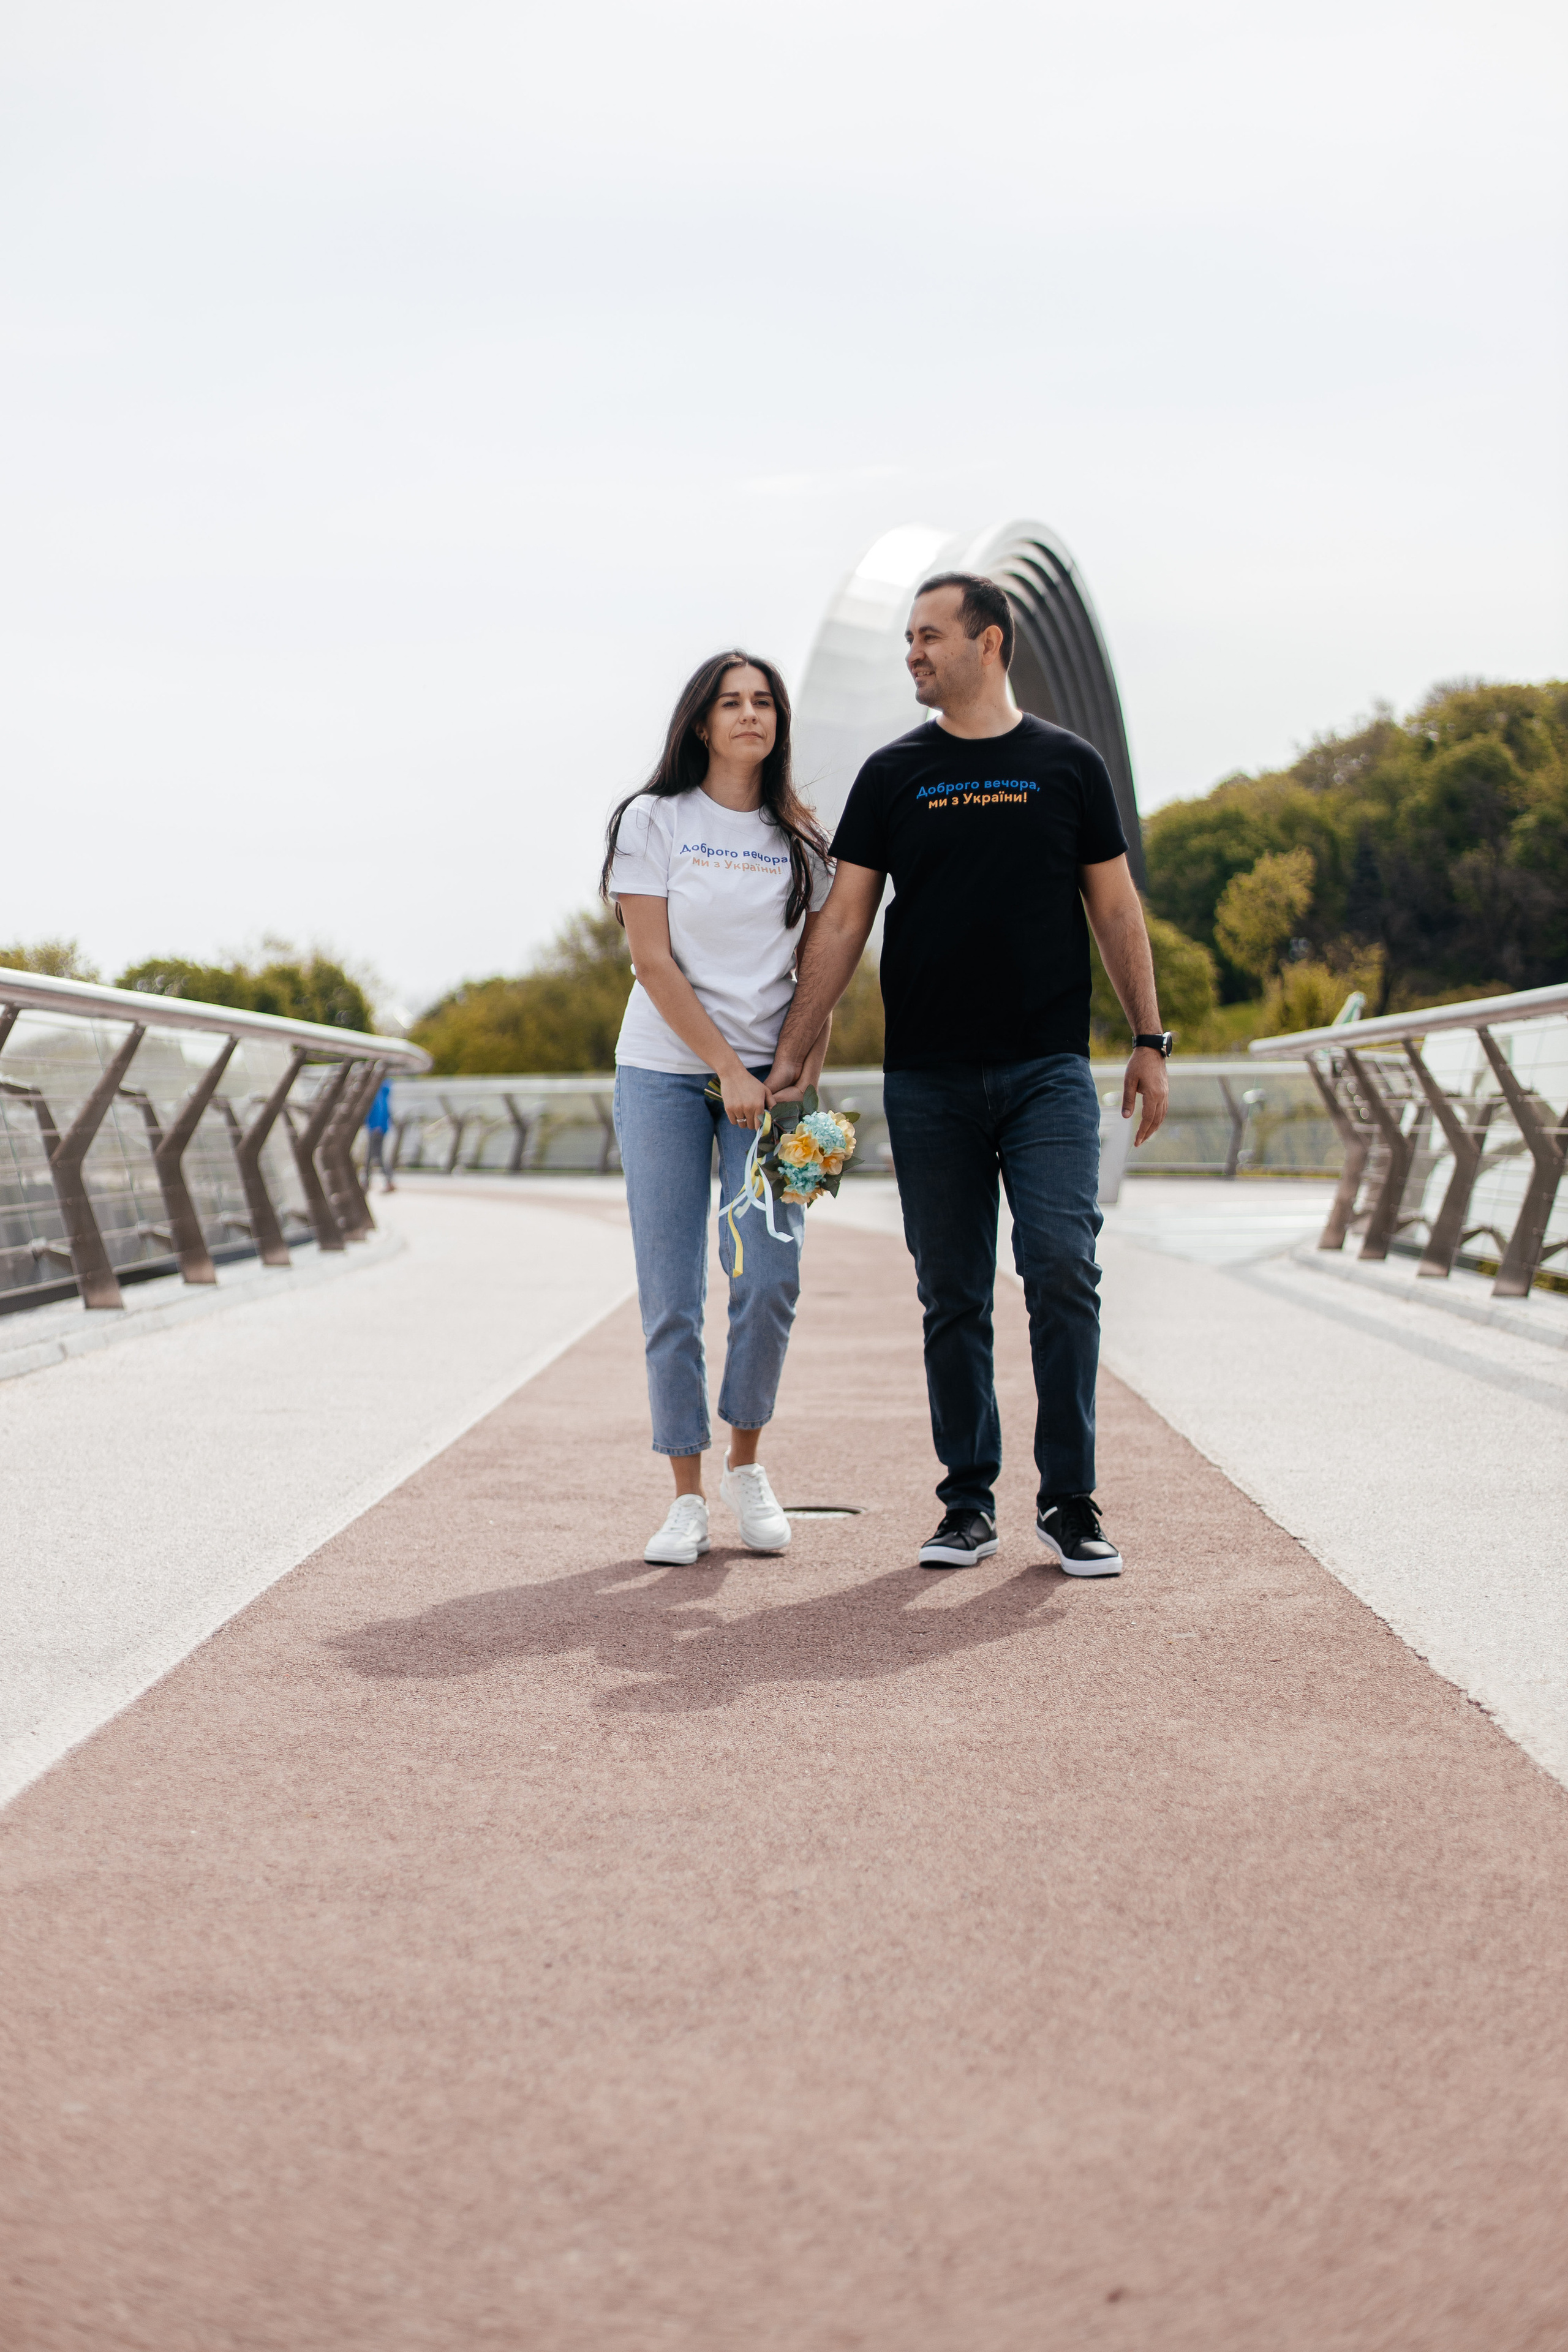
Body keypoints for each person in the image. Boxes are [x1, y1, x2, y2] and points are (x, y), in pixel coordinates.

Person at [765, 572, 1169, 1577]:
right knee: (951, 1292)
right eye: (904, 636)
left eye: (930, 635)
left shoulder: (1067, 766)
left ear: (990, 643)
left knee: (1063, 1271)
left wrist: (1150, 1039)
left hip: (1048, 1076)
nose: (912, 651)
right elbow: (845, 921)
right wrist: (792, 1056)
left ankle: (1071, 1501)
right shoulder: (893, 774)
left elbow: (1116, 911)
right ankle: (967, 1500)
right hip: (930, 1081)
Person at [604, 650, 834, 1567]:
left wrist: (797, 1080)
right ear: (702, 723)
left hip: (771, 1088)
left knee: (770, 1277)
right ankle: (686, 1495)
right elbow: (652, 962)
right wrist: (723, 1069)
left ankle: (747, 1462)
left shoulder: (805, 842)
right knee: (672, 1292)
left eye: (764, 702)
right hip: (664, 1073)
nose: (750, 715)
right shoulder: (654, 821)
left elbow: (822, 977)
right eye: (731, 702)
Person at [364, 1079, 394, 1193]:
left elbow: (377, 1110)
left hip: (376, 1128)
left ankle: (367, 1183)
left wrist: (375, 1126)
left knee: (372, 1157)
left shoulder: (378, 1091)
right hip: (382, 1127)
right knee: (375, 1157)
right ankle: (387, 1181)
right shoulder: (384, 1092)